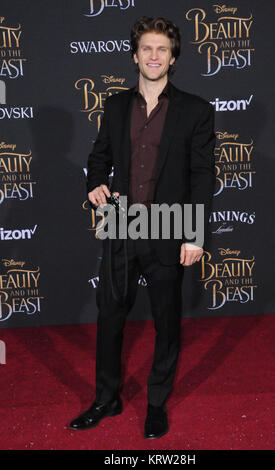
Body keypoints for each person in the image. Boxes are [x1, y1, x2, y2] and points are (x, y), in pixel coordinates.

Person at [69, 16, 216, 439]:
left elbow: (202, 176)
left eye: (162, 50)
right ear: (135, 56)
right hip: (121, 222)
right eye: (147, 49)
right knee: (110, 317)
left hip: (170, 227)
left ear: (173, 59)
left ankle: (155, 403)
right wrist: (95, 182)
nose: (154, 56)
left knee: (166, 321)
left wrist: (195, 233)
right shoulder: (115, 106)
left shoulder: (196, 111)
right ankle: (106, 398)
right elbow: (100, 158)